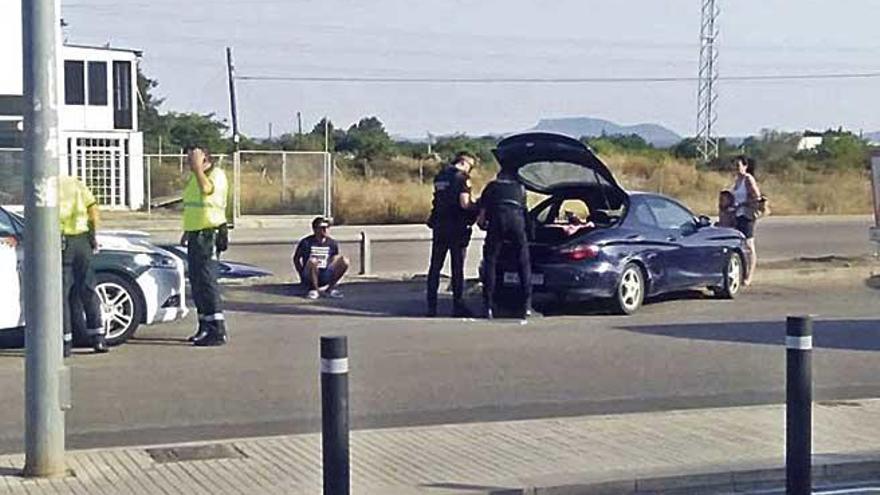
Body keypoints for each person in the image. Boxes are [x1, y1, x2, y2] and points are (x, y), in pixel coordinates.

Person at [181, 145, 230, 346]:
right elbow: (195, 206)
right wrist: (187, 231)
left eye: (192, 158)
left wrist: (198, 169)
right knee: (197, 282)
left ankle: (217, 329)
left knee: (208, 281)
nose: (188, 162)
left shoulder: (215, 174)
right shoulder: (195, 177)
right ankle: (204, 325)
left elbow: (207, 190)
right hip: (196, 233)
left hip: (210, 234)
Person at [59, 175, 108, 357]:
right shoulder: (76, 183)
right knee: (87, 288)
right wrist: (94, 236)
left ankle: (65, 343)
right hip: (82, 240)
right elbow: (93, 210)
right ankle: (98, 338)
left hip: (61, 242)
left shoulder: (46, 184)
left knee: (61, 294)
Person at [425, 151, 478, 317]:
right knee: (457, 267)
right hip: (457, 227)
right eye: (471, 166)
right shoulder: (462, 178)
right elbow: (464, 204)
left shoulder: (440, 177)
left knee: (435, 267)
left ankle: (431, 306)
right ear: (465, 162)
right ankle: (458, 305)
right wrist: (477, 207)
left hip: (440, 226)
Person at [477, 169, 531, 319]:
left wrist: (485, 226)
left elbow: (481, 218)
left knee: (491, 262)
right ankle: (526, 306)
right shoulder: (520, 189)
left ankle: (487, 306)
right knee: (523, 263)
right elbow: (524, 211)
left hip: (497, 222)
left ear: (499, 177)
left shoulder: (491, 187)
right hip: (517, 223)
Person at [292, 216, 349, 299]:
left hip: (325, 272)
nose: (325, 230)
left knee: (344, 260)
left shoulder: (332, 243)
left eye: (327, 227)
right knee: (313, 261)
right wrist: (301, 274)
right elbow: (296, 259)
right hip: (310, 273)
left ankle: (330, 289)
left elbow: (334, 258)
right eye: (322, 228)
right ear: (315, 229)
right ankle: (314, 289)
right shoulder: (306, 242)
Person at [731, 155, 762, 285]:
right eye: (735, 166)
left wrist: (743, 204)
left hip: (746, 215)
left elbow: (757, 197)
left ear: (745, 166)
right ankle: (741, 272)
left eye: (739, 166)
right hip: (737, 215)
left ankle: (749, 276)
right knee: (739, 244)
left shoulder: (748, 179)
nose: (737, 169)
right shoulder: (737, 180)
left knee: (749, 245)